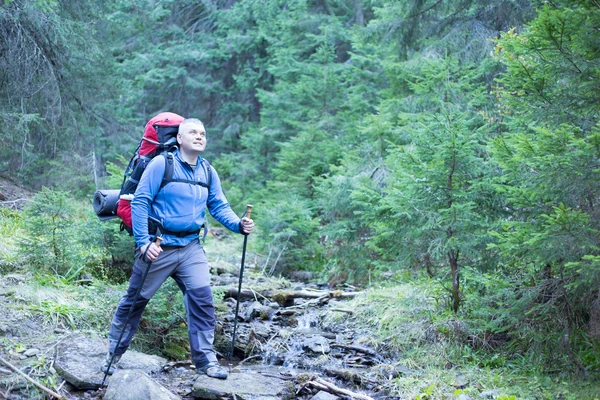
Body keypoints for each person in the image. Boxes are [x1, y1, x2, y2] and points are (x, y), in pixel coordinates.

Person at [101, 118, 254, 379]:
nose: (199, 136)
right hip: (159, 247)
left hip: (191, 247)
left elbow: (218, 206)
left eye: (203, 133)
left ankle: (206, 362)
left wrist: (238, 225)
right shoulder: (162, 164)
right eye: (192, 132)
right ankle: (112, 356)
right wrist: (143, 242)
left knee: (202, 301)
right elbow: (140, 202)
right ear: (180, 139)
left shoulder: (207, 171)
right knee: (134, 302)